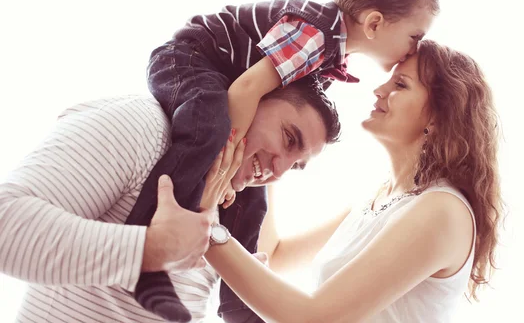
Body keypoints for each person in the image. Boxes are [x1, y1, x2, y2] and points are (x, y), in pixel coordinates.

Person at [128, 0, 438, 321]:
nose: (415, 47)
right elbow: (244, 92)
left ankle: (240, 311)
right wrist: (224, 171)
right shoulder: (316, 35)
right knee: (208, 129)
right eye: (415, 36)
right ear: (374, 23)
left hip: (222, 83)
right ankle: (142, 251)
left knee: (254, 204)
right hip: (191, 59)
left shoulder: (328, 58)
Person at [187, 39, 504, 322]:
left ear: (436, 118)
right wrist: (265, 148)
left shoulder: (442, 212)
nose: (380, 90)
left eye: (401, 85)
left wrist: (204, 225)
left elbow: (314, 318)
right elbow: (278, 254)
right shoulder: (377, 201)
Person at [0, 75, 340, 323]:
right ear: (253, 95)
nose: (279, 170)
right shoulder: (141, 125)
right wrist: (150, 248)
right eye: (288, 138)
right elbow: (5, 223)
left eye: (295, 167)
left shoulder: (230, 203)